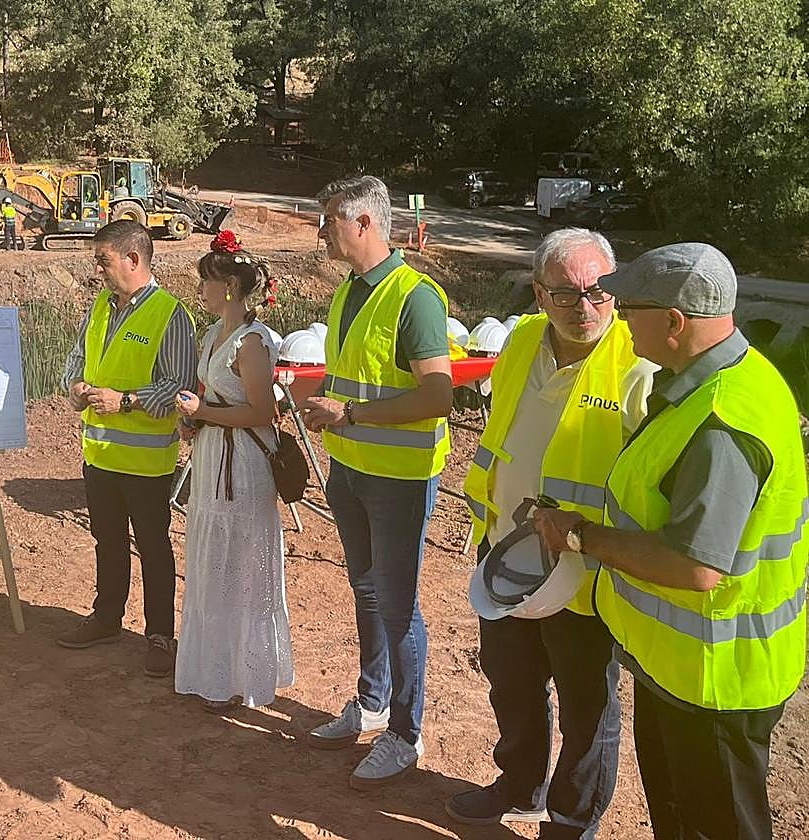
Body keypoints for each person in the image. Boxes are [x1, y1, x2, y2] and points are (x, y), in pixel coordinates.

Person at [533, 243, 808, 840]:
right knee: (680, 821)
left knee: (716, 827)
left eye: (630, 307)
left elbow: (696, 565)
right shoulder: (722, 379)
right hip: (681, 668)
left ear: (675, 322)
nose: (619, 316)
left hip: (714, 681)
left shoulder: (721, 424)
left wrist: (582, 536)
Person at [447, 228, 656, 835]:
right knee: (510, 682)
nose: (585, 308)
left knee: (586, 706)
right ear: (540, 294)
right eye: (566, 295)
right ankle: (519, 782)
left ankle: (570, 818)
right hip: (509, 554)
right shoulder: (520, 345)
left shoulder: (636, 365)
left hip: (586, 574)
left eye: (599, 292)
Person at [302, 175, 453, 789]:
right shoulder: (349, 293)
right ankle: (371, 702)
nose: (322, 230)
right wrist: (322, 401)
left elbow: (438, 395)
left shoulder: (414, 298)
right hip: (352, 470)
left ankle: (405, 732)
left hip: (398, 478)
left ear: (364, 223)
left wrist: (353, 414)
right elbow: (356, 379)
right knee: (366, 593)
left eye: (331, 220)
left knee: (396, 604)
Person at [59, 219, 198, 677]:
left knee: (154, 548)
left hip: (147, 462)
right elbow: (75, 361)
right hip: (99, 455)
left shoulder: (171, 315)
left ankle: (160, 635)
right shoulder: (99, 306)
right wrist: (75, 387)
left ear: (133, 259)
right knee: (108, 542)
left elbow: (177, 388)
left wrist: (128, 401)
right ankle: (106, 618)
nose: (98, 271)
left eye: (104, 261)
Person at [173, 232, 293, 710]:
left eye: (206, 281)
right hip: (211, 460)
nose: (200, 289)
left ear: (228, 285)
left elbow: (264, 412)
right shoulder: (212, 334)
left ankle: (242, 674)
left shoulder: (252, 342)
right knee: (213, 559)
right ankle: (215, 670)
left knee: (239, 561)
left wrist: (204, 412)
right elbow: (216, 402)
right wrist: (194, 419)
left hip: (241, 467)